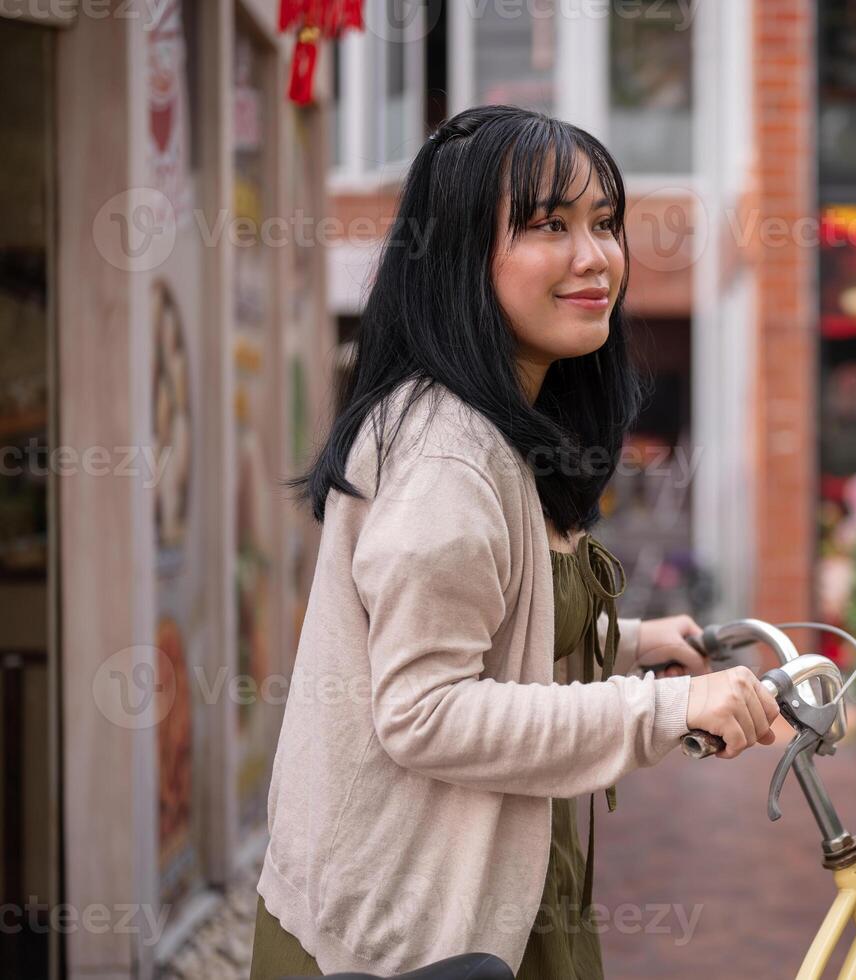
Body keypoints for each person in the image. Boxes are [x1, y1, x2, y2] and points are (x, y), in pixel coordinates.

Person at [247, 105, 780, 980]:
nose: (593, 257)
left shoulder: (500, 424)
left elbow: (505, 639)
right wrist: (666, 710)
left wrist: (640, 647)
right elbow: (425, 711)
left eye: (604, 224)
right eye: (546, 226)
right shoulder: (447, 453)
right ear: (460, 252)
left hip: (493, 891)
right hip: (407, 938)